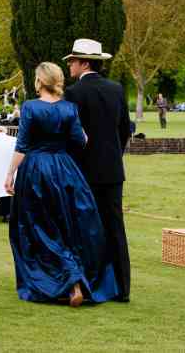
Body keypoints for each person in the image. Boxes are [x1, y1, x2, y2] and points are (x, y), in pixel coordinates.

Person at [4, 61, 118, 307]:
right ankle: (76, 279)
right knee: (68, 226)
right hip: (65, 170)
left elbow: (21, 146)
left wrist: (9, 173)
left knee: (38, 227)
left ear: (38, 81)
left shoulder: (30, 107)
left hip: (35, 171)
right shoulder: (69, 108)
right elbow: (81, 140)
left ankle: (65, 281)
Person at [63, 38, 132, 303]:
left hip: (84, 171)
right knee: (115, 228)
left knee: (87, 229)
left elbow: (72, 135)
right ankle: (122, 289)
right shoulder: (116, 89)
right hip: (113, 170)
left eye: (72, 61)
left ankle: (93, 286)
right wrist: (113, 155)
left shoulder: (74, 94)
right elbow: (124, 130)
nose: (69, 65)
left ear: (85, 62)